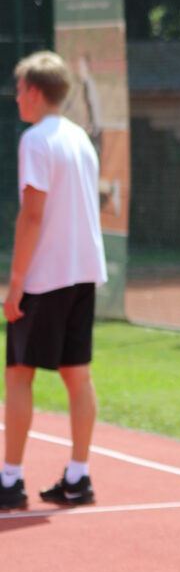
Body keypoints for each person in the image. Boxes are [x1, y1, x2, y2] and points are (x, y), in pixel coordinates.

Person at [1, 50, 107, 510]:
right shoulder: (80, 138)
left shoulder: (35, 140)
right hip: (84, 272)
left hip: (47, 276)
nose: (16, 97)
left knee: (18, 375)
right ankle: (78, 477)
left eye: (19, 88)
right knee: (77, 376)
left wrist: (15, 282)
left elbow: (32, 214)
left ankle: (9, 480)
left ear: (35, 91)